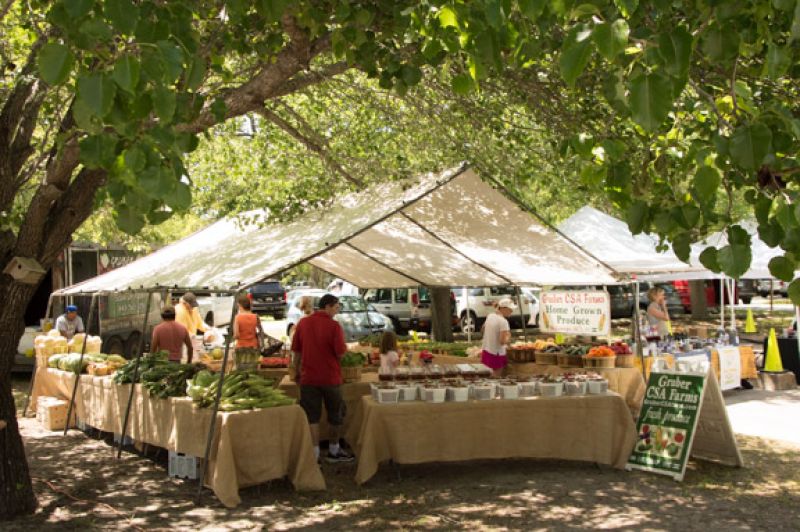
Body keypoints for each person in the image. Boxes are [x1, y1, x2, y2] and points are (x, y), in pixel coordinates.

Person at [291, 293, 353, 463]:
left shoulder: (303, 323)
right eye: (335, 307)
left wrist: (295, 371)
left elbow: (296, 350)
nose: (337, 311)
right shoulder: (334, 326)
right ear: (327, 306)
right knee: (335, 414)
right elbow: (340, 353)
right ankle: (334, 450)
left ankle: (314, 453)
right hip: (330, 377)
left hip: (308, 377)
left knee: (312, 416)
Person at [481, 298, 515, 376]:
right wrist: (508, 337)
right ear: (504, 308)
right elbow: (502, 341)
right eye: (510, 309)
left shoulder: (490, 316)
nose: (512, 312)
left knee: (487, 377)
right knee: (496, 377)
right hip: (497, 354)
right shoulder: (503, 322)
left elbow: (482, 330)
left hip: (487, 350)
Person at [289, 295, 315, 381]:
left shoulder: (305, 317)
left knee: (298, 357)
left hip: (304, 344)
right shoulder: (311, 314)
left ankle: (296, 373)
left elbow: (296, 346)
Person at [234, 296, 262, 367]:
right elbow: (261, 331)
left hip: (241, 347)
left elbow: (236, 335)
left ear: (240, 305)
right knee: (252, 369)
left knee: (241, 370)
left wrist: (234, 337)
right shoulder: (255, 316)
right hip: (254, 346)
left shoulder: (237, 318)